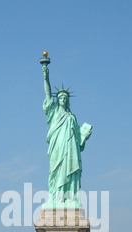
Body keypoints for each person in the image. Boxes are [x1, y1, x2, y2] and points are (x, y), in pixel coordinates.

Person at [42, 64, 92, 206]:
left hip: (70, 149)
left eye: (65, 98)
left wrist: (84, 136)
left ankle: (70, 198)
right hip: (57, 146)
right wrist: (46, 75)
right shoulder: (54, 112)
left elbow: (79, 140)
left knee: (69, 170)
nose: (63, 99)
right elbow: (47, 93)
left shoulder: (72, 117)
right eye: (61, 97)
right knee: (56, 171)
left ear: (68, 100)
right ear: (57, 100)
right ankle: (56, 198)